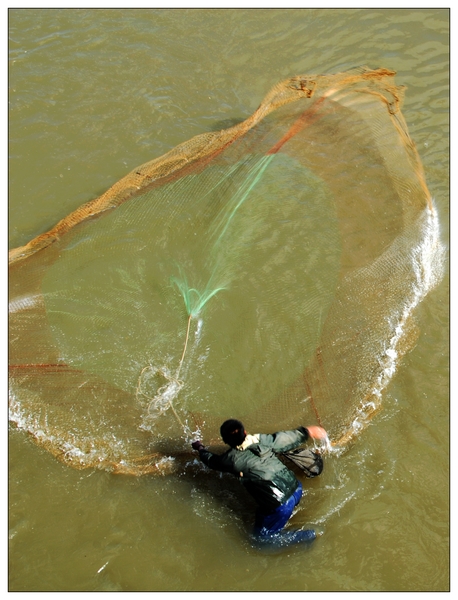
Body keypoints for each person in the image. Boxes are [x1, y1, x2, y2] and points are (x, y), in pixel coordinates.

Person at [191, 419, 327, 547]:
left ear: (225, 441)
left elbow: (211, 461)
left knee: (260, 541)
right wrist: (306, 432)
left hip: (280, 504)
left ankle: (308, 536)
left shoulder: (231, 460)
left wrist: (200, 448)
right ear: (245, 432)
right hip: (296, 488)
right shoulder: (261, 440)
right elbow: (284, 438)